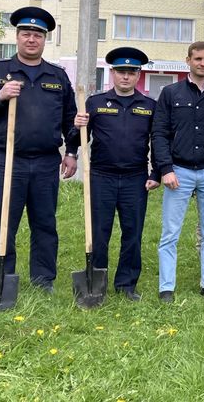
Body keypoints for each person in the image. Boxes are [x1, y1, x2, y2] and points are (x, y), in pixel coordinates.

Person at [0, 7, 78, 294]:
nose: (31, 39)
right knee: (4, 224)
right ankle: (2, 278)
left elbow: (70, 119)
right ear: (17, 37)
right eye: (26, 33)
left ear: (45, 40)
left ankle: (43, 281)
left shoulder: (57, 76)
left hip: (44, 163)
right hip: (5, 161)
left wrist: (72, 152)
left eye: (37, 35)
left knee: (45, 224)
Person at [71, 47, 158, 301]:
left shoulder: (149, 106)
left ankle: (126, 284)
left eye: (131, 72)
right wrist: (74, 138)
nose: (126, 77)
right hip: (101, 177)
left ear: (138, 75)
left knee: (132, 232)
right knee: (99, 232)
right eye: (121, 71)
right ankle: (97, 281)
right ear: (112, 73)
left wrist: (157, 172)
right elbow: (77, 136)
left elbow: (160, 140)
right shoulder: (95, 103)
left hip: (135, 178)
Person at [152, 42, 204, 303]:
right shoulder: (170, 93)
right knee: (170, 233)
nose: (202, 63)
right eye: (197, 58)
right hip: (179, 171)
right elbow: (159, 134)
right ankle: (167, 287)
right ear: (187, 60)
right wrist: (165, 169)